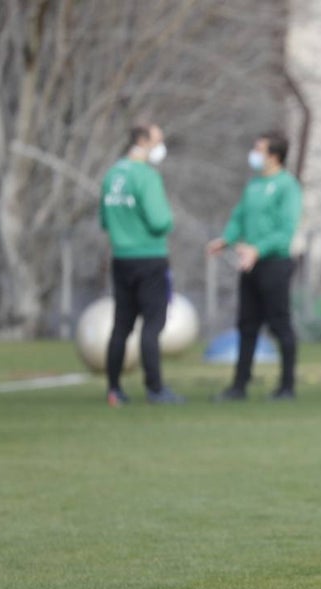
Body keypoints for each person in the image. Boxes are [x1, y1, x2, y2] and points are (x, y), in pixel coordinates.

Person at [207, 131, 302, 401]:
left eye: (259, 149)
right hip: (250, 265)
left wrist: (257, 249)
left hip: (274, 263)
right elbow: (239, 217)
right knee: (247, 324)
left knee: (280, 325)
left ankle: (286, 386)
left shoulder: (287, 186)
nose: (254, 154)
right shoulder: (254, 185)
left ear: (274, 156)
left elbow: (286, 230)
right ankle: (239, 385)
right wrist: (226, 239)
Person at [99, 123, 184, 406]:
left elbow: (104, 220)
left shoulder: (112, 174)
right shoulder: (146, 176)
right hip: (149, 258)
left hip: (121, 258)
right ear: (143, 141)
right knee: (152, 324)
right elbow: (160, 221)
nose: (161, 146)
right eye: (158, 140)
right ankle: (155, 388)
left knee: (121, 325)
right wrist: (167, 220)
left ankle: (114, 389)